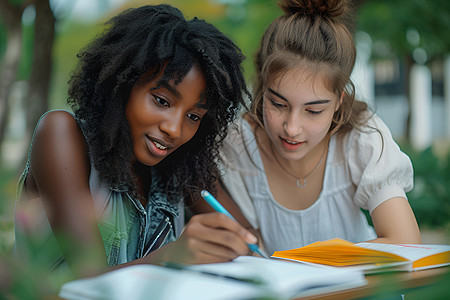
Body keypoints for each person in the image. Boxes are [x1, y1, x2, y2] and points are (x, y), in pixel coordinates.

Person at [13, 4, 257, 287]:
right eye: (162, 101)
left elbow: (249, 240)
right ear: (122, 84)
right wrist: (173, 256)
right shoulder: (61, 133)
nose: (174, 129)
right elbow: (88, 279)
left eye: (193, 116)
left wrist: (234, 242)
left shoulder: (183, 165)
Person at [210, 0, 422, 255]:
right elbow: (251, 250)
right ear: (262, 88)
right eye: (278, 104)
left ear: (338, 102)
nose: (292, 128)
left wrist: (307, 268)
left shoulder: (361, 138)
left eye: (313, 111)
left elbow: (406, 242)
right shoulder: (238, 145)